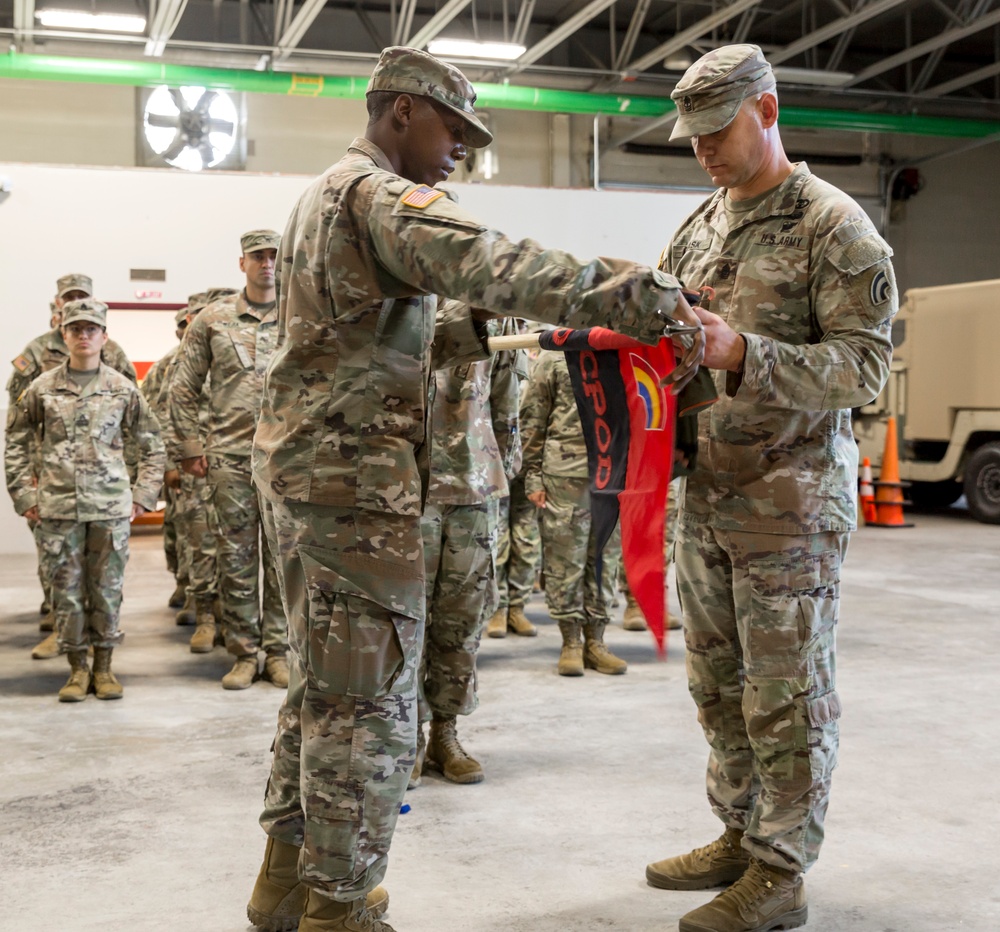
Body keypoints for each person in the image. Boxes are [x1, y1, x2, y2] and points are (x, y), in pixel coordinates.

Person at [245, 45, 701, 932]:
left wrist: (478, 330)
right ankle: (339, 908)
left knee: (325, 690)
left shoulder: (326, 197)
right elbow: (490, 259)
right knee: (371, 706)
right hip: (356, 488)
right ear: (403, 112)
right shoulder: (379, 194)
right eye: (455, 129)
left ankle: (286, 883)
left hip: (320, 479)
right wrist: (641, 295)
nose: (462, 149)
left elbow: (380, 335)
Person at [643, 45, 896, 932]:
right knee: (717, 685)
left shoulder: (835, 226)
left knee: (785, 692)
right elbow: (677, 344)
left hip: (789, 508)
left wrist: (743, 353)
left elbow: (865, 369)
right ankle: (738, 832)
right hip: (708, 493)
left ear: (769, 109)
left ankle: (781, 868)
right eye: (695, 137)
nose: (706, 150)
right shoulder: (699, 225)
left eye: (720, 130)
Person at [4, 299, 165, 701]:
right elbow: (17, 442)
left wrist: (144, 497)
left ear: (104, 336)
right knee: (66, 592)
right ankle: (77, 669)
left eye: (91, 329)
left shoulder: (123, 388)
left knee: (107, 591)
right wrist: (24, 493)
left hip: (109, 507)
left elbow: (152, 445)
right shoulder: (41, 388)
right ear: (64, 334)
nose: (83, 335)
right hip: (57, 509)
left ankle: (105, 668)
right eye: (75, 328)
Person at [168, 233, 288, 690]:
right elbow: (183, 388)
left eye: (275, 256)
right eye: (258, 256)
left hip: (284, 461)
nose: (267, 264)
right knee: (235, 560)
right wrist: (191, 448)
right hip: (230, 460)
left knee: (281, 560)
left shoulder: (302, 315)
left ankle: (278, 652)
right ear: (242, 263)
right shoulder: (212, 319)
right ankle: (243, 652)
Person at [411, 316, 525, 788]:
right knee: (405, 618)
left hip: (473, 485)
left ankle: (445, 732)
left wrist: (507, 472)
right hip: (405, 487)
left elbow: (506, 400)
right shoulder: (399, 298)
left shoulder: (492, 309)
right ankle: (408, 737)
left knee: (463, 618)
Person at [7, 273, 137, 661]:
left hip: (105, 487)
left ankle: (98, 655)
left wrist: (135, 490)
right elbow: (20, 422)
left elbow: (134, 427)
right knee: (59, 569)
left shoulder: (114, 359)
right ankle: (62, 632)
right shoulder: (37, 356)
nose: (83, 334)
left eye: (83, 300)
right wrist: (28, 483)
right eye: (69, 302)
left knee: (104, 580)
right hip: (53, 481)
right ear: (58, 310)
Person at [520, 350, 628, 676]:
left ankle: (596, 641)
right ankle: (570, 641)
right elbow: (533, 417)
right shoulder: (554, 355)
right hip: (565, 474)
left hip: (615, 475)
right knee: (565, 560)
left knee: (605, 561)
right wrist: (533, 475)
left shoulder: (625, 351)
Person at [148, 294, 221, 645]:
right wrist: (169, 464)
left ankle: (233, 616)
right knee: (197, 540)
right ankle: (200, 604)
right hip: (193, 465)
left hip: (235, 463)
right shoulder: (170, 366)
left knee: (238, 551)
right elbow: (158, 416)